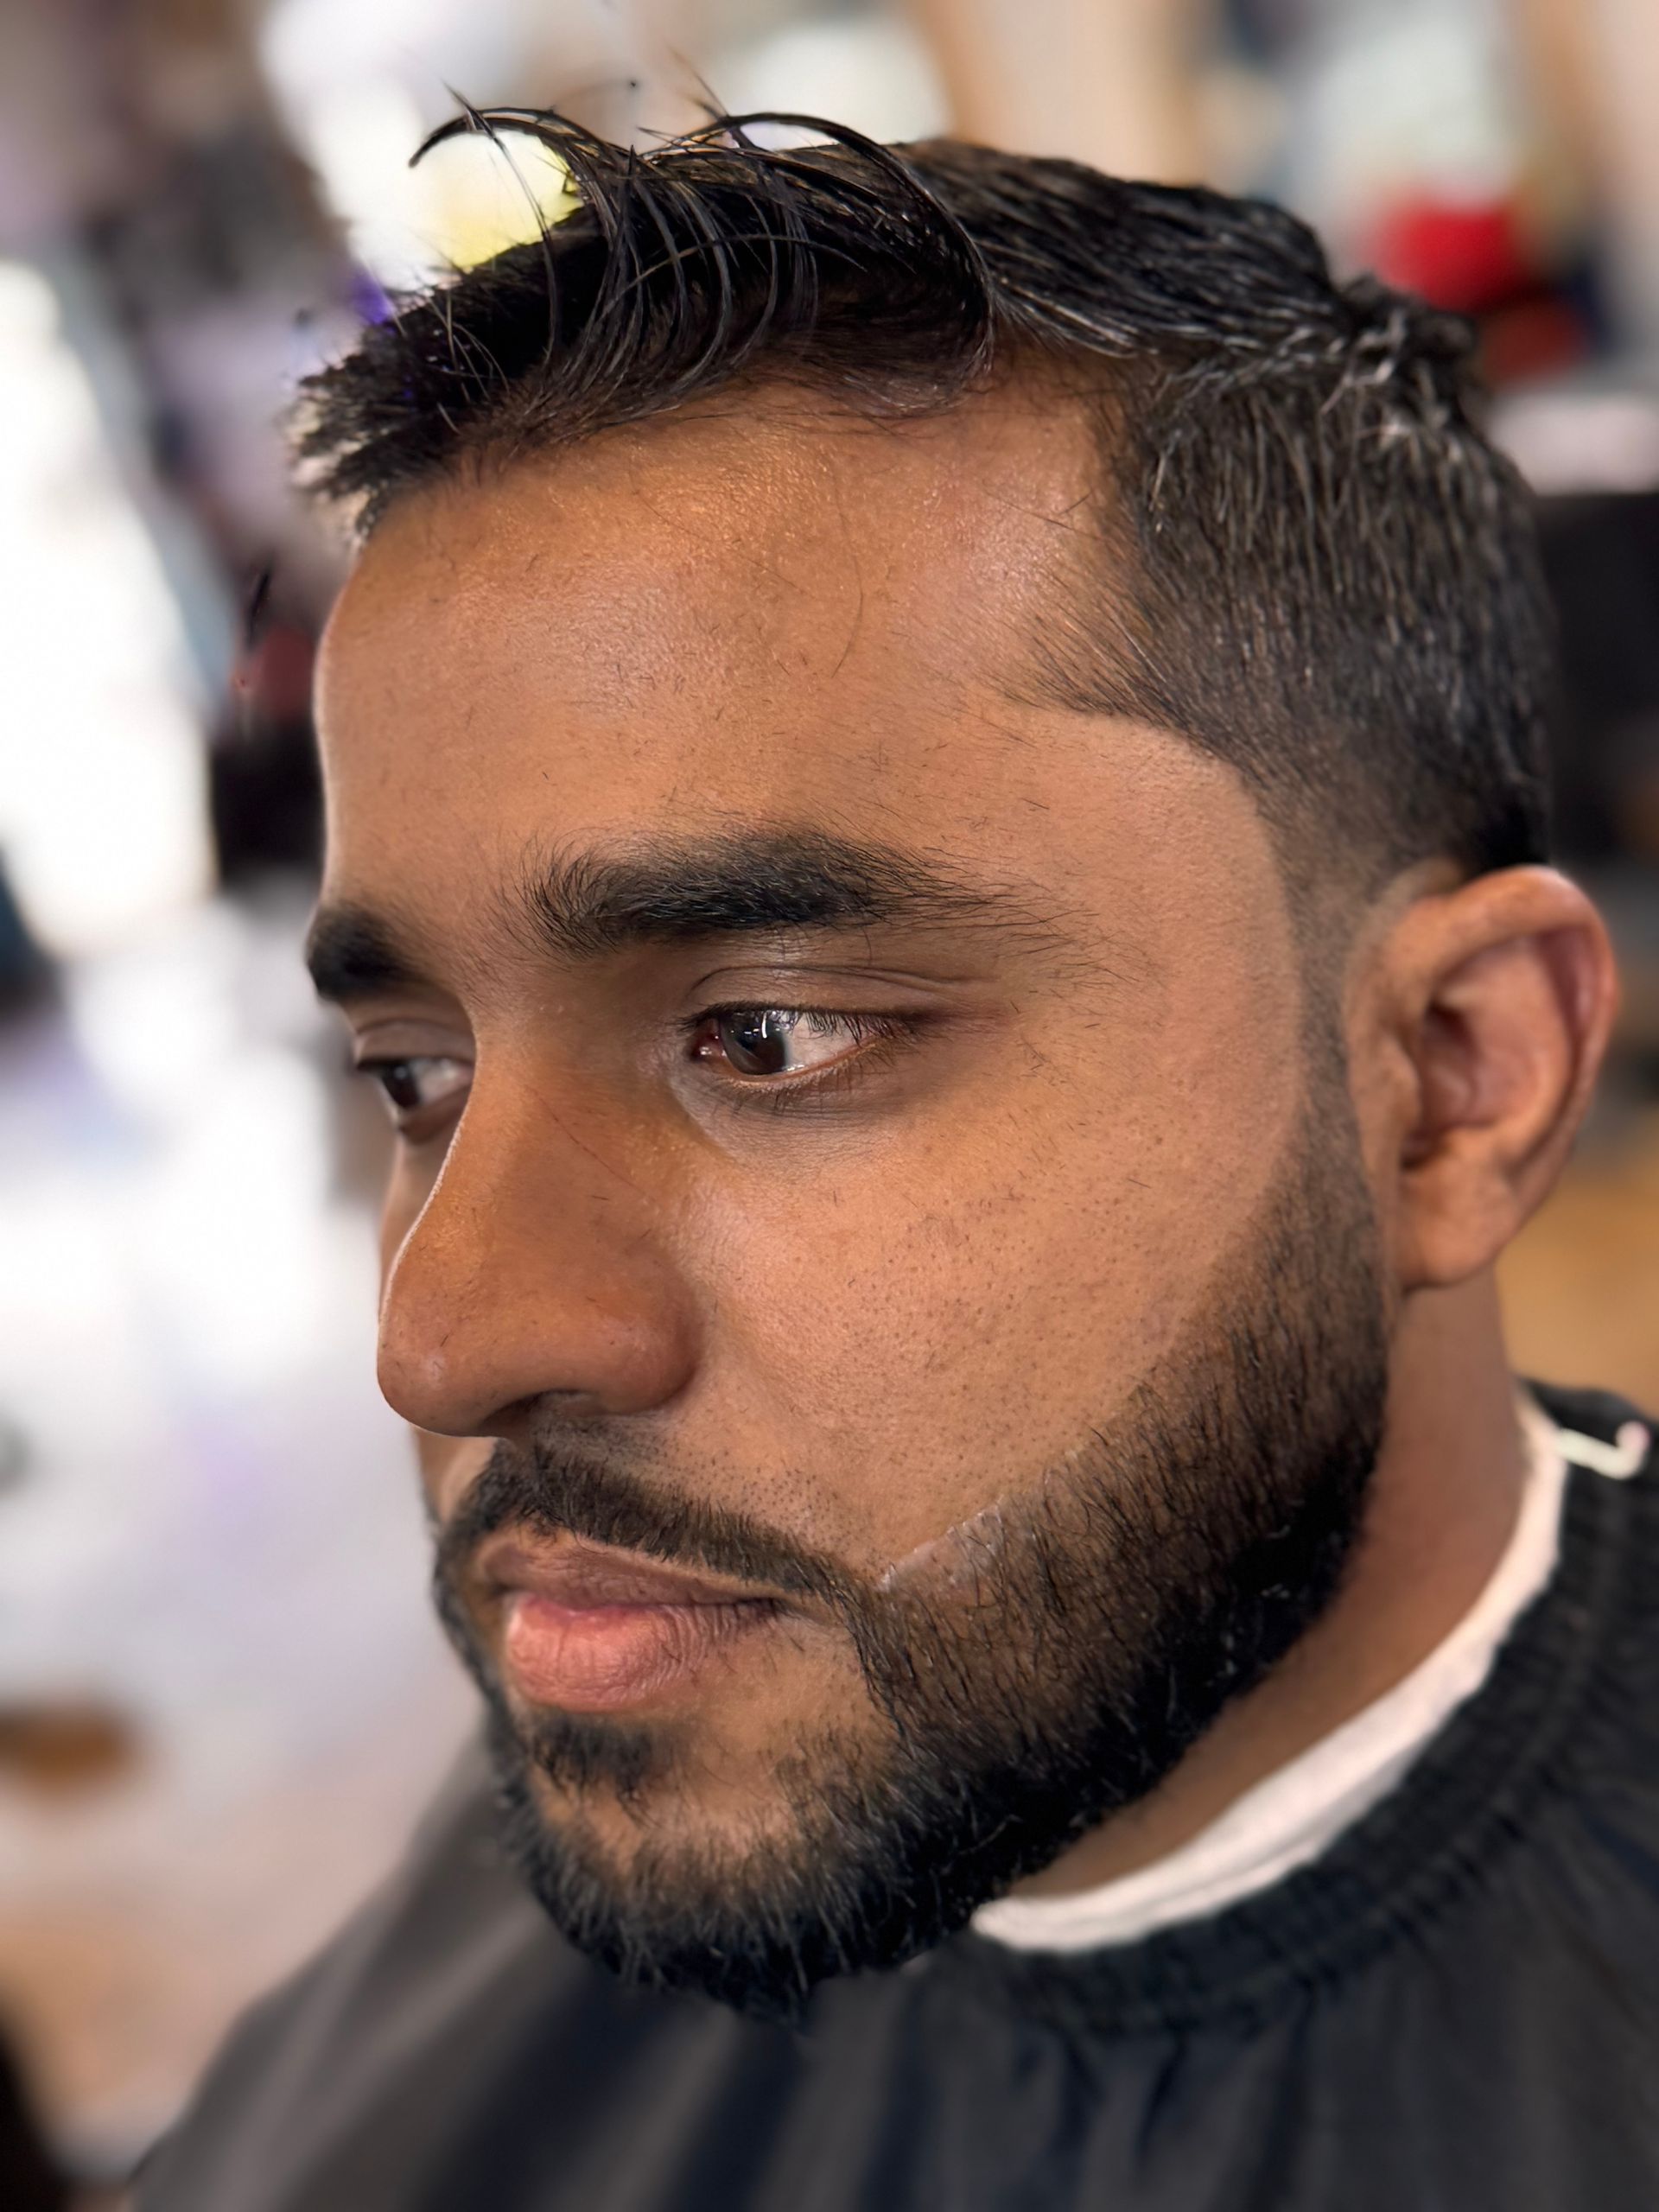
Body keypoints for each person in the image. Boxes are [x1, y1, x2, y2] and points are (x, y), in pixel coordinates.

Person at [137, 111, 1658, 2210]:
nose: (447, 1334)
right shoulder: (533, 1876)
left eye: (767, 1035)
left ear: (1450, 1078)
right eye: (414, 1071)